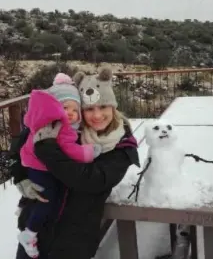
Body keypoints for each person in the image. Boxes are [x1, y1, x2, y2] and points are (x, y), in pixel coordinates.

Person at [11, 66, 140, 259]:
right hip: (36, 230)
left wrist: (47, 150)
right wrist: (20, 176)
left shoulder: (122, 146)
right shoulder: (69, 129)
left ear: (113, 107)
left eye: (103, 106)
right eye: (88, 109)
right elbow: (23, 141)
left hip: (72, 242)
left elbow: (90, 180)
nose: (97, 115)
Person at [17, 72, 101, 258]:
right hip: (40, 170)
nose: (70, 113)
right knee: (47, 200)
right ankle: (29, 233)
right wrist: (89, 152)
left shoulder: (54, 126)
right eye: (64, 108)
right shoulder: (58, 127)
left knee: (49, 199)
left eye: (74, 109)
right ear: (54, 109)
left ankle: (30, 228)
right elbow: (70, 150)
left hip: (39, 170)